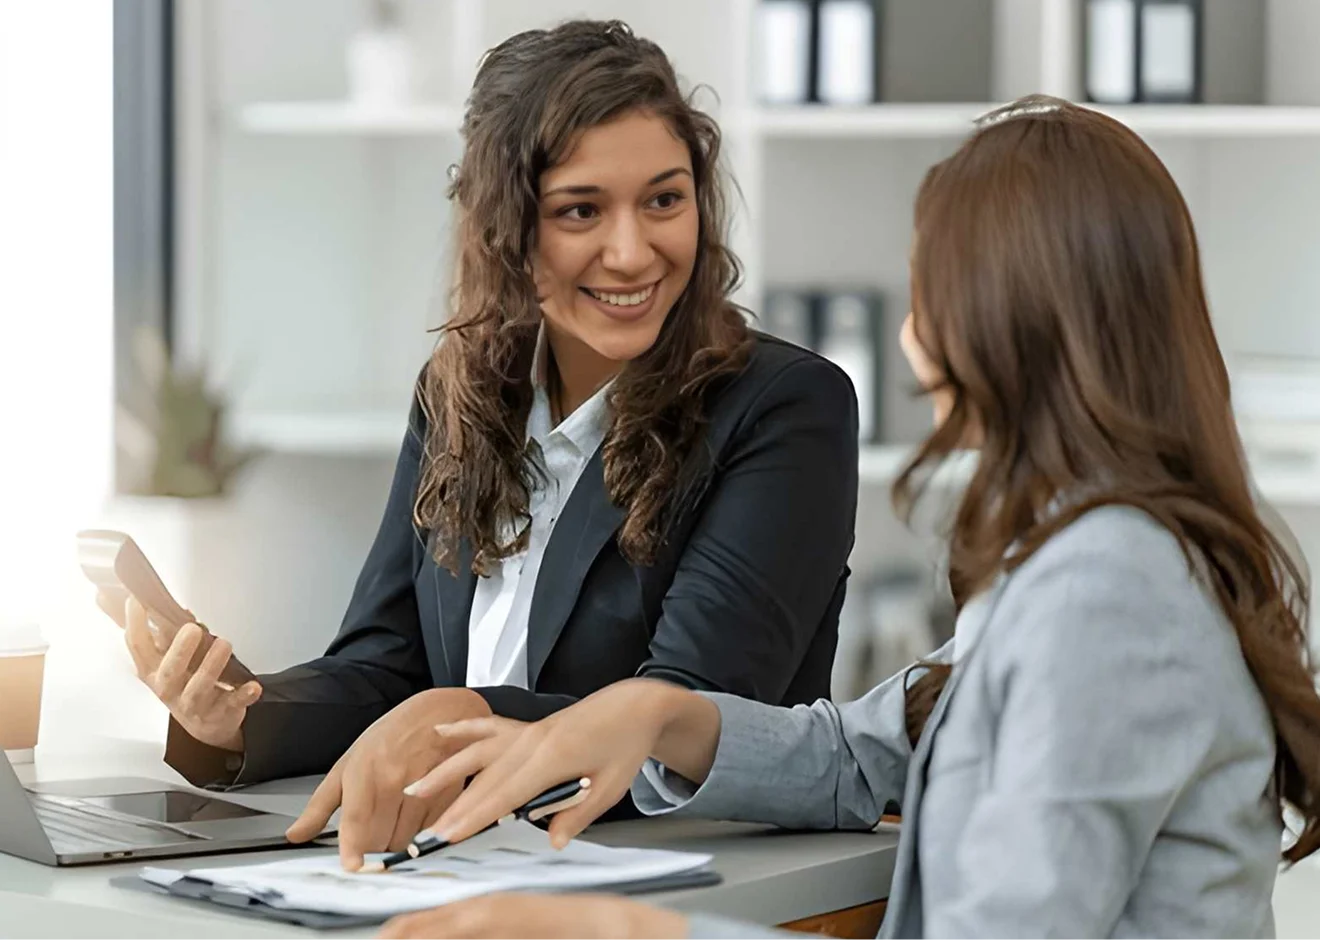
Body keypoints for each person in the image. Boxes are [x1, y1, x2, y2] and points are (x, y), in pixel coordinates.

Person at [381, 96, 1320, 940]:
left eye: (926, 292)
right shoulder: (1081, 558)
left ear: (1003, 316)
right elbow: (862, 757)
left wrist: (638, 937)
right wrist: (658, 713)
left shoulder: (1107, 592)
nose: (911, 342)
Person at [113, 19, 859, 871]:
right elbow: (386, 666)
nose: (633, 250)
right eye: (582, 210)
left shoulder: (784, 407)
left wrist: (457, 711)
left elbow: (687, 713)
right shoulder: (460, 390)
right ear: (506, 228)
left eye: (664, 199)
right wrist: (242, 714)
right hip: (454, 862)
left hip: (672, 882)